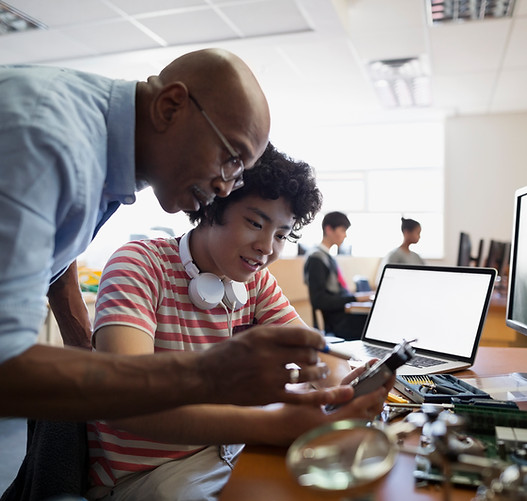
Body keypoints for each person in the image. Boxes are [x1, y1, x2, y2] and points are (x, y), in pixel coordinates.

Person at [0, 48, 351, 423]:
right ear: (170, 107)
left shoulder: (100, 161)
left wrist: (80, 341)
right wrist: (209, 375)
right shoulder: (48, 142)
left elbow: (57, 240)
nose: (224, 188)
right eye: (231, 159)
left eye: (239, 173)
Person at [85, 145, 393, 501]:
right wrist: (272, 426)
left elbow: (314, 352)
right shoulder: (139, 265)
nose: (266, 247)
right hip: (149, 475)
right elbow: (127, 404)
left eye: (281, 234)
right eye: (255, 223)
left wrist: (347, 385)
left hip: (231, 450)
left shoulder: (255, 282)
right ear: (213, 206)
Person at [303, 212, 372, 340]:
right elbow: (319, 300)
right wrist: (355, 298)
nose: (345, 235)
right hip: (338, 323)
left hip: (343, 315)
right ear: (329, 229)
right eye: (343, 230)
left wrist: (356, 298)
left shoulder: (328, 257)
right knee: (373, 322)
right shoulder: (316, 259)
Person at [376, 217, 425, 285]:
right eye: (417, 233)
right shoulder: (394, 255)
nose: (419, 236)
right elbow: (382, 281)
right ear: (406, 232)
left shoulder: (416, 256)